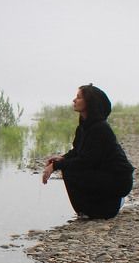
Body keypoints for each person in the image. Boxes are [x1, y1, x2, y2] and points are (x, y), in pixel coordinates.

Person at [42, 84, 134, 219]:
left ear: (89, 103)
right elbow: (77, 152)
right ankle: (89, 210)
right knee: (69, 167)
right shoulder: (83, 127)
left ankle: (107, 208)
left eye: (78, 97)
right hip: (104, 174)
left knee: (71, 170)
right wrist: (61, 158)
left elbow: (87, 161)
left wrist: (55, 166)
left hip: (119, 179)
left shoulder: (100, 128)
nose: (74, 100)